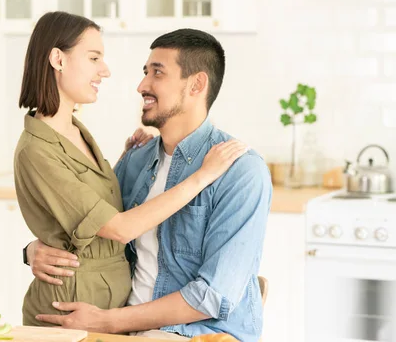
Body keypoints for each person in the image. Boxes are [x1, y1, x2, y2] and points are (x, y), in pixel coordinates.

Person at [25, 28, 273, 342]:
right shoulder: (137, 159)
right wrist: (34, 250)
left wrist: (110, 321)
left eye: (157, 73)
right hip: (124, 327)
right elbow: (96, 228)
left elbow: (213, 296)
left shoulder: (240, 170)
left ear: (196, 84)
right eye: (145, 72)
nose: (142, 85)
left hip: (198, 333)